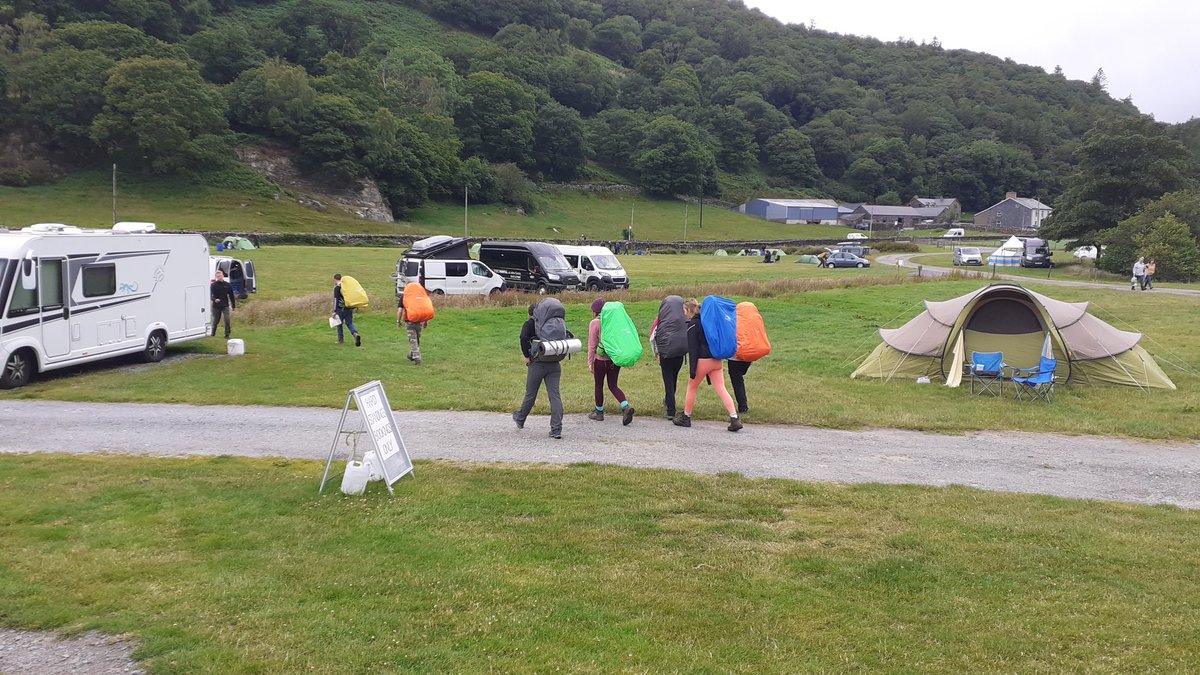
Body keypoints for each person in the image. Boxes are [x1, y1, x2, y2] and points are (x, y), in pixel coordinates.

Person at [673, 298, 742, 432]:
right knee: (721, 388)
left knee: (692, 387)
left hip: (702, 361)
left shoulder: (693, 324)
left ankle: (686, 417)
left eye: (684, 311)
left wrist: (692, 370)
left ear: (688, 310)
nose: (684, 314)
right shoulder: (708, 321)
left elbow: (693, 349)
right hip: (716, 360)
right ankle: (734, 417)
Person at [513, 303, 564, 439]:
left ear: (530, 313)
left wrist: (526, 355)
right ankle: (556, 429)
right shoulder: (553, 323)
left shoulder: (530, 324)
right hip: (554, 364)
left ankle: (520, 418)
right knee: (555, 396)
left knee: (531, 394)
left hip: (537, 364)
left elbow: (523, 337)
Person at [587, 298, 635, 425]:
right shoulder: (614, 321)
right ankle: (625, 406)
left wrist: (590, 362)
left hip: (600, 360)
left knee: (599, 385)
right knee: (613, 385)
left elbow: (592, 345)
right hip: (614, 360)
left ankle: (599, 412)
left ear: (595, 312)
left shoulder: (595, 323)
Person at [650, 295, 688, 419]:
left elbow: (653, 336)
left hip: (666, 352)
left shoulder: (661, 319)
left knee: (668, 379)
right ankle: (668, 400)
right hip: (680, 352)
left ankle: (670, 410)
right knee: (674, 377)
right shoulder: (685, 318)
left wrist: (656, 351)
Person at [332, 274, 361, 346]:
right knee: (349, 323)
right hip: (349, 308)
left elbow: (336, 300)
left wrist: (335, 311)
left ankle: (340, 340)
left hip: (340, 309)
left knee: (339, 324)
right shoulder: (347, 287)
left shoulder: (337, 288)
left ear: (335, 279)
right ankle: (355, 334)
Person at [397, 294, 426, 365]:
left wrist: (398, 321)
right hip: (419, 320)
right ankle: (411, 355)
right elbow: (425, 309)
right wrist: (425, 321)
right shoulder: (419, 297)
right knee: (417, 339)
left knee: (413, 340)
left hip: (409, 321)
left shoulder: (404, 296)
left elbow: (400, 310)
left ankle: (417, 358)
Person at [210, 269, 236, 339]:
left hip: (225, 305)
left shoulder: (227, 285)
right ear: (216, 277)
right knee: (216, 320)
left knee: (227, 320)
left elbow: (231, 296)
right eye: (218, 276)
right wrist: (214, 299)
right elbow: (210, 296)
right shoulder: (213, 285)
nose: (219, 277)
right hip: (216, 306)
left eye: (220, 275)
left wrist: (233, 306)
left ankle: (227, 335)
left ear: (223, 275)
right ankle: (212, 333)